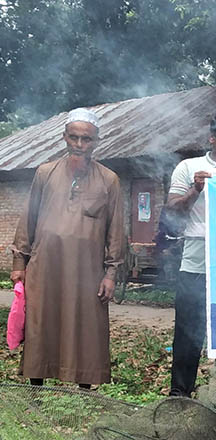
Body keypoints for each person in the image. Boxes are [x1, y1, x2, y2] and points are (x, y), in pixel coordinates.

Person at [10, 108, 125, 387]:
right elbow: (29, 219)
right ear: (64, 137)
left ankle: (84, 388)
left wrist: (110, 274)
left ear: (96, 141)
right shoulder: (45, 173)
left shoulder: (109, 180)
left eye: (86, 140)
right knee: (41, 324)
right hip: (46, 266)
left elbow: (116, 230)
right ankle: (35, 389)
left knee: (88, 327)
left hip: (88, 271)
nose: (79, 145)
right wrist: (19, 265)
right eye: (73, 138)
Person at [166, 113, 216, 397]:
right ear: (212, 138)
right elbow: (172, 210)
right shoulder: (189, 167)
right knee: (188, 333)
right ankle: (179, 395)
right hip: (195, 262)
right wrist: (195, 190)